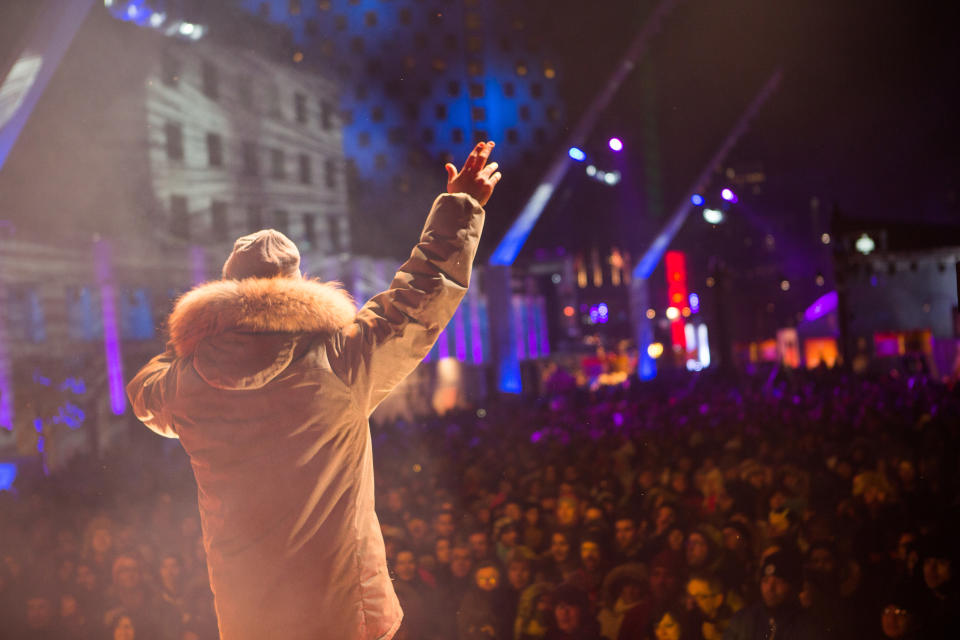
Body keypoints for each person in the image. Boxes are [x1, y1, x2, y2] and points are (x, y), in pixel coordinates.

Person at [126, 142, 501, 640]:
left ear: (225, 293)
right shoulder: (341, 360)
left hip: (248, 620)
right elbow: (416, 303)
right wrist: (460, 208)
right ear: (297, 287)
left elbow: (143, 391)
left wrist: (193, 342)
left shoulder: (185, 384)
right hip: (348, 617)